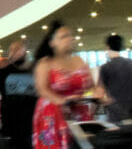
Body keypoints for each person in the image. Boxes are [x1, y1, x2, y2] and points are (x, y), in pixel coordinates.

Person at [32, 21, 93, 149]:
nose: (69, 39)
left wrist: (98, 91)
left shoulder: (79, 60)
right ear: (52, 43)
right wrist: (63, 101)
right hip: (54, 115)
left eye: (70, 36)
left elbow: (91, 85)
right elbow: (42, 90)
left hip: (78, 114)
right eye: (63, 36)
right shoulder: (45, 63)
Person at [0, 40, 36, 149]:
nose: (17, 52)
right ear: (9, 54)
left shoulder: (34, 72)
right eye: (14, 49)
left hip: (32, 128)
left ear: (25, 52)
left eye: (19, 49)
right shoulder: (2, 73)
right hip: (10, 128)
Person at [93, 34, 132, 122]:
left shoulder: (106, 67)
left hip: (116, 117)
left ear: (108, 47)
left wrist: (105, 103)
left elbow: (98, 94)